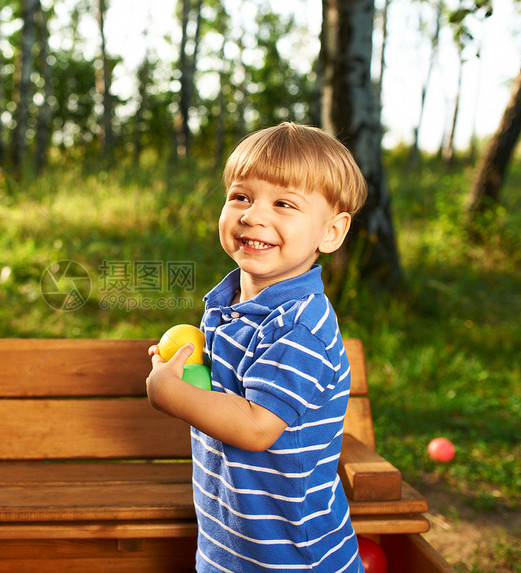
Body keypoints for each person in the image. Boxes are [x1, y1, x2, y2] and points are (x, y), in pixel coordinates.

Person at [146, 122, 368, 572]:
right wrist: (186, 371)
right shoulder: (228, 305)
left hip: (290, 555)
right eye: (240, 196)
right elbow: (225, 395)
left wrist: (170, 393)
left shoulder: (301, 327)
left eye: (284, 203)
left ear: (331, 231)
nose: (252, 215)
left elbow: (255, 427)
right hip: (230, 539)